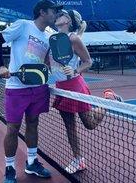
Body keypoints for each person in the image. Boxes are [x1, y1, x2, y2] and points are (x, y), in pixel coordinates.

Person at [0, 0, 62, 183]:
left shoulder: (49, 37)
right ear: (42, 12)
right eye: (53, 11)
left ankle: (32, 162)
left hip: (38, 88)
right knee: (13, 128)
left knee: (33, 123)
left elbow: (46, 62)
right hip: (16, 88)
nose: (55, 15)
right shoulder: (23, 26)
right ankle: (9, 168)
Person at [50, 10, 123, 174]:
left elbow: (88, 62)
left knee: (89, 124)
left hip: (76, 86)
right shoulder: (54, 39)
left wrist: (75, 71)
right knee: (70, 126)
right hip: (61, 87)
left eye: (61, 14)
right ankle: (78, 160)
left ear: (68, 20)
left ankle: (109, 100)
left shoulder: (74, 38)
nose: (57, 16)